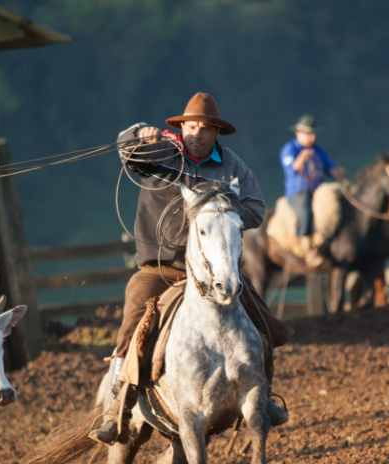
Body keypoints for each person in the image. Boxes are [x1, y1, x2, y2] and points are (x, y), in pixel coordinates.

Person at [89, 92, 290, 444]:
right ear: (183, 128)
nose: (197, 134)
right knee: (134, 317)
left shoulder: (232, 166)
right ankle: (117, 407)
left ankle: (265, 394)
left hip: (215, 270)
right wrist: (140, 133)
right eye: (191, 126)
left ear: (216, 133)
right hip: (161, 268)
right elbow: (125, 148)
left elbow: (256, 208)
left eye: (204, 129)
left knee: (261, 321)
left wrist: (220, 214)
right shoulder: (161, 153)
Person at [279, 115, 345, 269]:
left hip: (319, 191)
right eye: (309, 134)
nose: (312, 137)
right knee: (305, 209)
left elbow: (330, 168)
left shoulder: (319, 150)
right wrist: (302, 158)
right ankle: (307, 247)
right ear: (298, 133)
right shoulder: (290, 149)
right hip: (299, 191)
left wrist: (338, 172)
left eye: (313, 133)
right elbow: (292, 168)